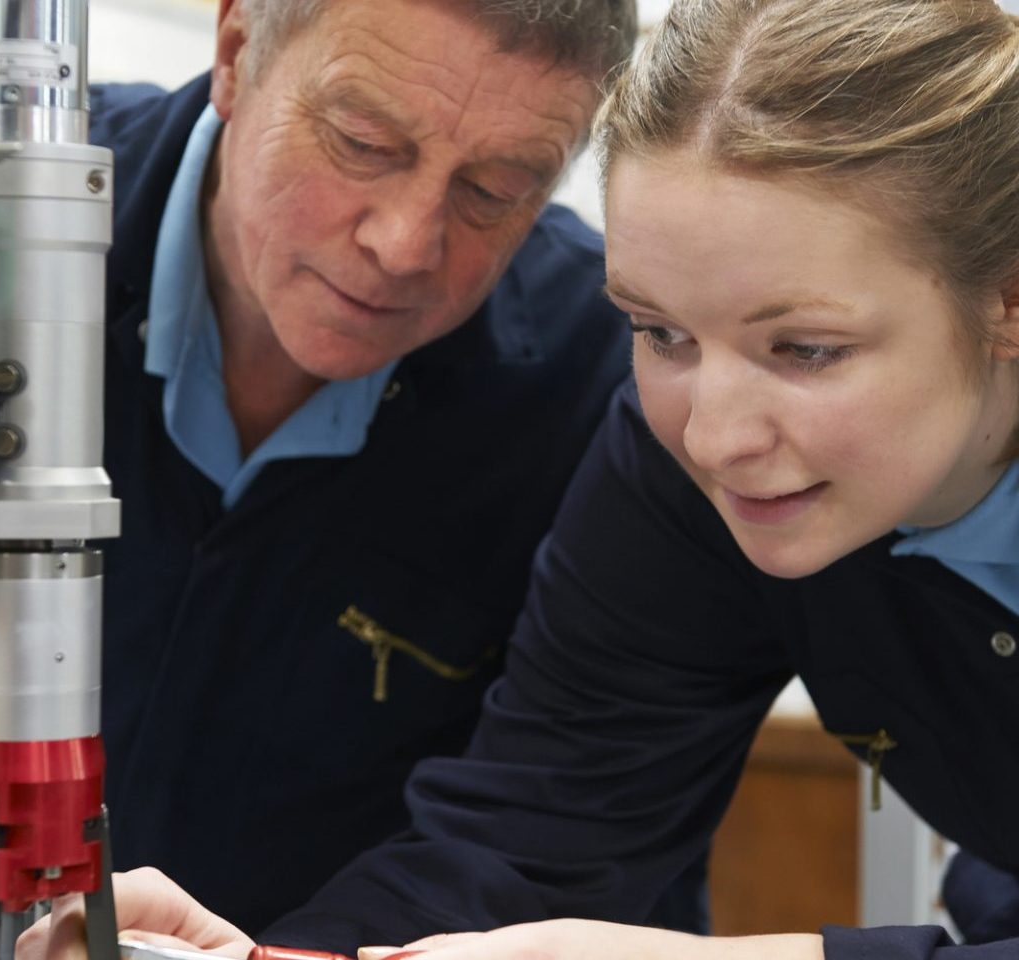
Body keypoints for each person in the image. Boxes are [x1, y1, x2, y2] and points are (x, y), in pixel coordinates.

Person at [27, 0, 1019, 957]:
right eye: (658, 333)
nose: (713, 432)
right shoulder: (686, 458)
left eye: (807, 348)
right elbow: (535, 839)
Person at [82, 0, 676, 938]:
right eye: (362, 143)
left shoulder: (613, 386)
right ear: (237, 52)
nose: (404, 245)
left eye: (494, 190)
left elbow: (562, 833)